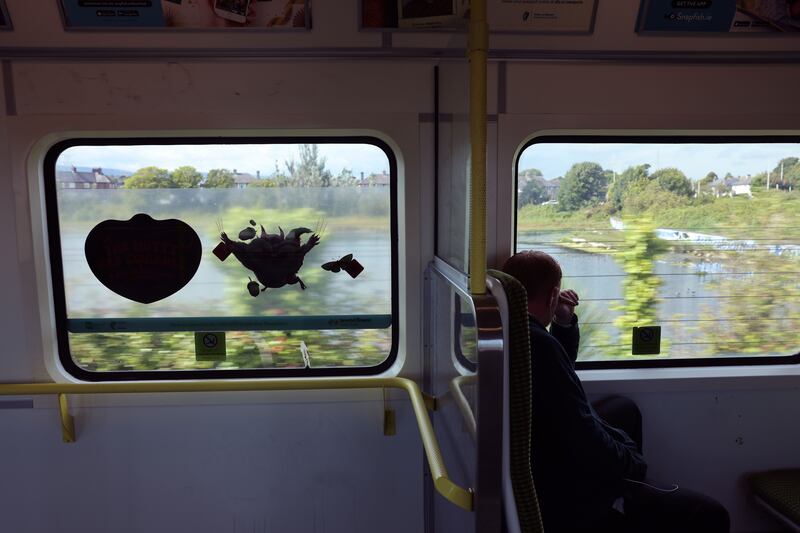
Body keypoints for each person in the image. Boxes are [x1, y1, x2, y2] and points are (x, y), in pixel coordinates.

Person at [502, 250, 730, 533]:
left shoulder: (517, 332)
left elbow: (560, 375)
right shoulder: (539, 344)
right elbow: (581, 432)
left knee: (624, 408)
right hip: (562, 480)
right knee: (709, 514)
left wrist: (562, 323)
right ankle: (620, 499)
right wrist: (631, 463)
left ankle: (627, 494)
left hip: (541, 449)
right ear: (552, 296)